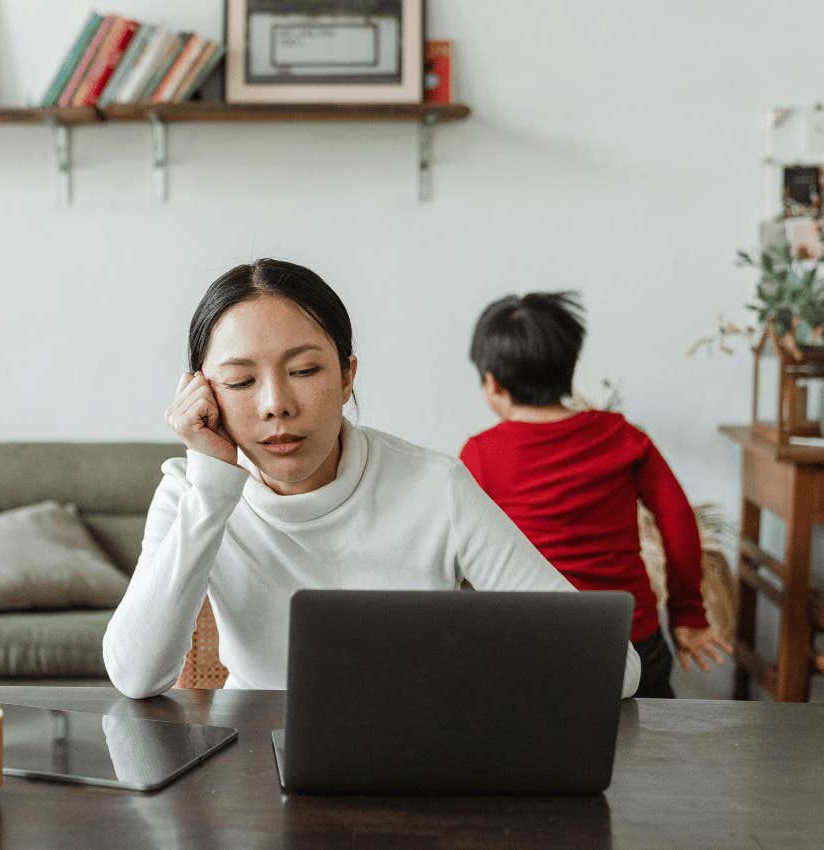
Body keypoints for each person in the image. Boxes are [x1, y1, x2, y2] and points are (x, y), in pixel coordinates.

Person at [103, 261, 641, 700]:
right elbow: (135, 676)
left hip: (416, 755)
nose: (276, 406)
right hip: (253, 765)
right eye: (241, 381)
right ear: (203, 394)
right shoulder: (191, 491)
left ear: (347, 377)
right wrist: (212, 487)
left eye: (306, 371)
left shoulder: (436, 487)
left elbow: (615, 669)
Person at [459, 291, 731, 699]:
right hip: (631, 640)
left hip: (534, 646)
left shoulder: (480, 454)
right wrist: (688, 612)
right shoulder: (623, 436)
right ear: (569, 369)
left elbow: (463, 549)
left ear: (492, 384)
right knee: (650, 753)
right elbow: (677, 520)